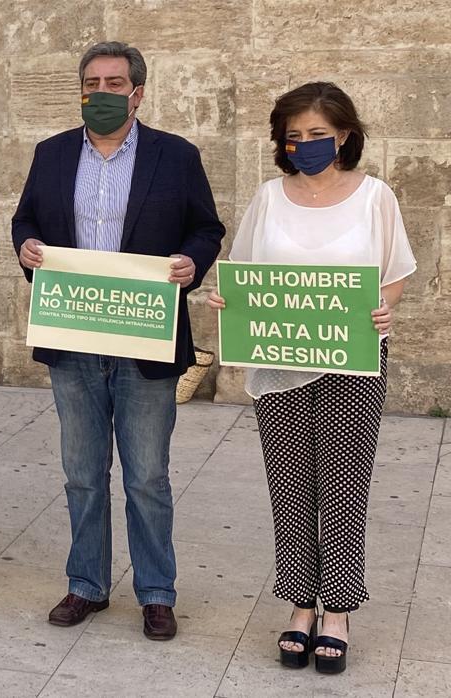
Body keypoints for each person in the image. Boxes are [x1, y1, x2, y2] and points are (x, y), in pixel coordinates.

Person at [11, 41, 225, 640]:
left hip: (144, 339)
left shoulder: (176, 156)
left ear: (137, 92)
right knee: (82, 473)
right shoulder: (51, 154)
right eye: (91, 83)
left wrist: (192, 260)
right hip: (73, 337)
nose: (101, 93)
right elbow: (25, 220)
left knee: (146, 477)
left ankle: (156, 592)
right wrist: (27, 248)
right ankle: (87, 584)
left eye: (113, 83)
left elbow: (207, 227)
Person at [207, 82, 414, 674]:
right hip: (278, 365)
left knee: (344, 490)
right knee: (291, 489)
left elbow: (395, 270)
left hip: (351, 362)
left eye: (317, 135)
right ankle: (300, 607)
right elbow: (242, 272)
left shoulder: (376, 196)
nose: (305, 146)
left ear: (344, 135)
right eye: (293, 137)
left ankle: (340, 612)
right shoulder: (270, 197)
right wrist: (231, 304)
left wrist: (385, 308)